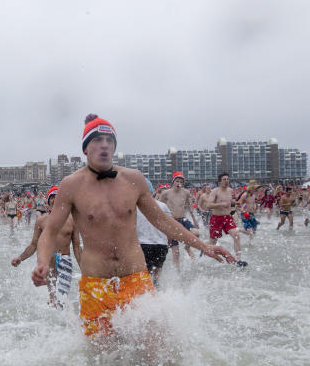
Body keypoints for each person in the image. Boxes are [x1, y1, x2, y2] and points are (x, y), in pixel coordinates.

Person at [31, 115, 234, 338]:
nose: (105, 144)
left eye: (110, 140)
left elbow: (163, 220)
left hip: (136, 278)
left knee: (155, 349)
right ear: (86, 149)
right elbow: (49, 231)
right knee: (103, 362)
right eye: (97, 140)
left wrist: (203, 246)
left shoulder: (133, 179)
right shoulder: (71, 185)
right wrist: (42, 262)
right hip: (96, 284)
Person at [160, 171, 199, 269]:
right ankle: (177, 272)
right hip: (172, 222)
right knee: (176, 253)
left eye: (181, 182)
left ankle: (187, 247)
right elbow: (159, 207)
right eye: (177, 181)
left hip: (183, 219)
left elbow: (190, 208)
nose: (179, 183)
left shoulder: (186, 192)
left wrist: (195, 220)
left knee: (196, 233)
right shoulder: (166, 193)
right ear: (173, 181)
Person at [200, 172, 243, 258]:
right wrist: (221, 204)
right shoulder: (215, 191)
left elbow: (230, 201)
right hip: (216, 218)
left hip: (227, 217)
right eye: (224, 179)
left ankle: (239, 259)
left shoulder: (230, 190)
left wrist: (236, 203)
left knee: (236, 236)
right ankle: (203, 249)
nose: (226, 181)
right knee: (213, 242)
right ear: (220, 181)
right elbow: (208, 205)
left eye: (227, 179)